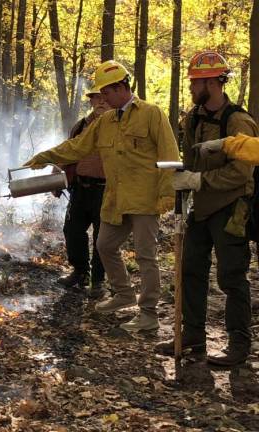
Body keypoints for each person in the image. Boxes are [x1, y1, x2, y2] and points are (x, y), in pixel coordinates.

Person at [24, 60, 180, 332]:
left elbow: (170, 156)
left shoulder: (152, 114)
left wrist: (167, 194)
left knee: (145, 256)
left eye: (106, 92)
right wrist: (45, 156)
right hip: (116, 199)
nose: (102, 98)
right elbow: (77, 147)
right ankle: (123, 294)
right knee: (105, 245)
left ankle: (149, 313)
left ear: (121, 87)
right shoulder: (105, 121)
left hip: (145, 199)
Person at [157, 51, 259, 366]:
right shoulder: (193, 118)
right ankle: (192, 336)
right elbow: (190, 162)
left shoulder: (238, 121)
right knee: (189, 270)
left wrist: (199, 180)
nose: (190, 87)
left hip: (232, 209)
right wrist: (182, 181)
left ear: (214, 82)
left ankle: (239, 345)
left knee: (231, 276)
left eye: (196, 82)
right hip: (200, 210)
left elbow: (242, 173)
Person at [57, 87, 110, 299]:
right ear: (91, 101)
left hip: (107, 191)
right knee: (72, 230)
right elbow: (68, 151)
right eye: (96, 97)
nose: (101, 101)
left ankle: (98, 281)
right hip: (80, 188)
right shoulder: (80, 127)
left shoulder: (119, 126)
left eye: (104, 97)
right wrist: (57, 176)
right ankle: (80, 272)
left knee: (102, 239)